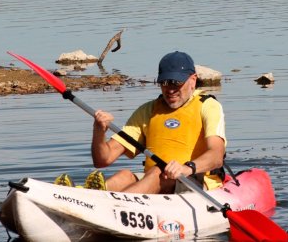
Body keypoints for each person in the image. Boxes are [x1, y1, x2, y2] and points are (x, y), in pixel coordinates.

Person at [56, 51, 226, 194]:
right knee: (124, 175)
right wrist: (99, 131)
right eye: (165, 83)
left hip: (194, 183)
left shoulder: (208, 106)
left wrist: (186, 168)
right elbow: (103, 160)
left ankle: (109, 204)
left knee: (159, 172)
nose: (170, 89)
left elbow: (216, 156)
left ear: (193, 80)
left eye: (176, 83)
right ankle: (85, 196)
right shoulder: (148, 110)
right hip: (155, 183)